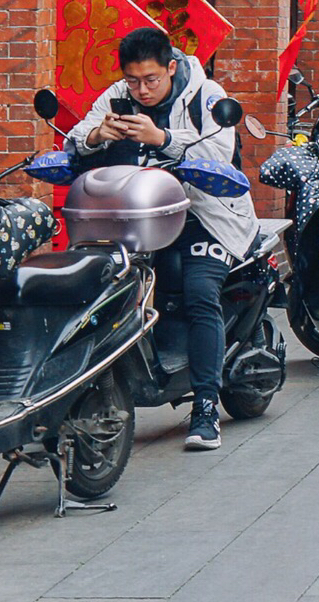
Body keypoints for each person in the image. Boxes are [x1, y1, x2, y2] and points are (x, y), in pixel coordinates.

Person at [68, 26, 252, 451]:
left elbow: (219, 151)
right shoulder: (117, 96)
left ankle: (206, 406)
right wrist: (97, 136)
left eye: (151, 79)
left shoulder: (205, 94)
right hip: (134, 221)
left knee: (200, 291)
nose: (141, 90)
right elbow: (79, 134)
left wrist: (162, 138)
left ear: (171, 67)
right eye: (133, 80)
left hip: (204, 218)